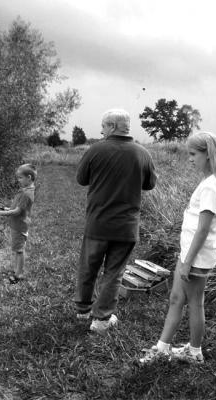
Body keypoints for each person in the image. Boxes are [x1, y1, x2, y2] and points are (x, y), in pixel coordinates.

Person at [140, 131, 216, 363]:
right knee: (176, 298)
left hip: (197, 257)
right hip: (190, 254)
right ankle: (163, 348)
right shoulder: (209, 182)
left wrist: (187, 261)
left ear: (208, 154)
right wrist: (184, 255)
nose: (190, 159)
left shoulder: (212, 187)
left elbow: (203, 229)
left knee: (195, 303)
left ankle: (194, 352)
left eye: (193, 154)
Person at [75, 109, 157, 333]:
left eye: (103, 126)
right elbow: (150, 184)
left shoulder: (95, 150)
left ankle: (83, 310)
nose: (101, 131)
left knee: (88, 267)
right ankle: (101, 320)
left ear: (111, 126)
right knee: (114, 272)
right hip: (126, 226)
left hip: (97, 223)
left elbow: (81, 179)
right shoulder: (143, 153)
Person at [0, 163, 37, 284]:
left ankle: (18, 275)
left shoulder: (26, 194)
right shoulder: (26, 190)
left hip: (19, 226)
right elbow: (19, 208)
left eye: (20, 178)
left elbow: (17, 212)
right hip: (19, 224)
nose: (18, 180)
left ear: (29, 177)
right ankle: (16, 270)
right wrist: (7, 209)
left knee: (19, 250)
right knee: (17, 249)